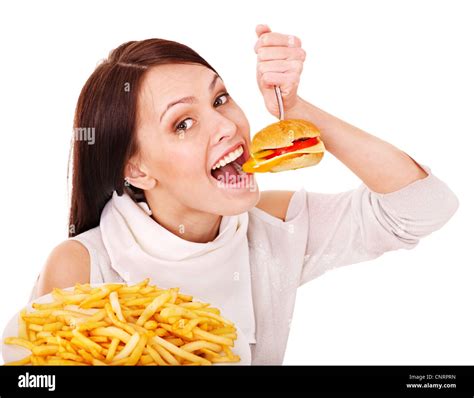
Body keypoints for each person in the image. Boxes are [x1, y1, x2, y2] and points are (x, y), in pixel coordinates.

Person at [30, 24, 459, 365]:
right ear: (135, 169)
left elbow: (423, 207)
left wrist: (298, 112)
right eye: (183, 123)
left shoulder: (275, 226)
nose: (226, 126)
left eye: (219, 99)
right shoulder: (83, 266)